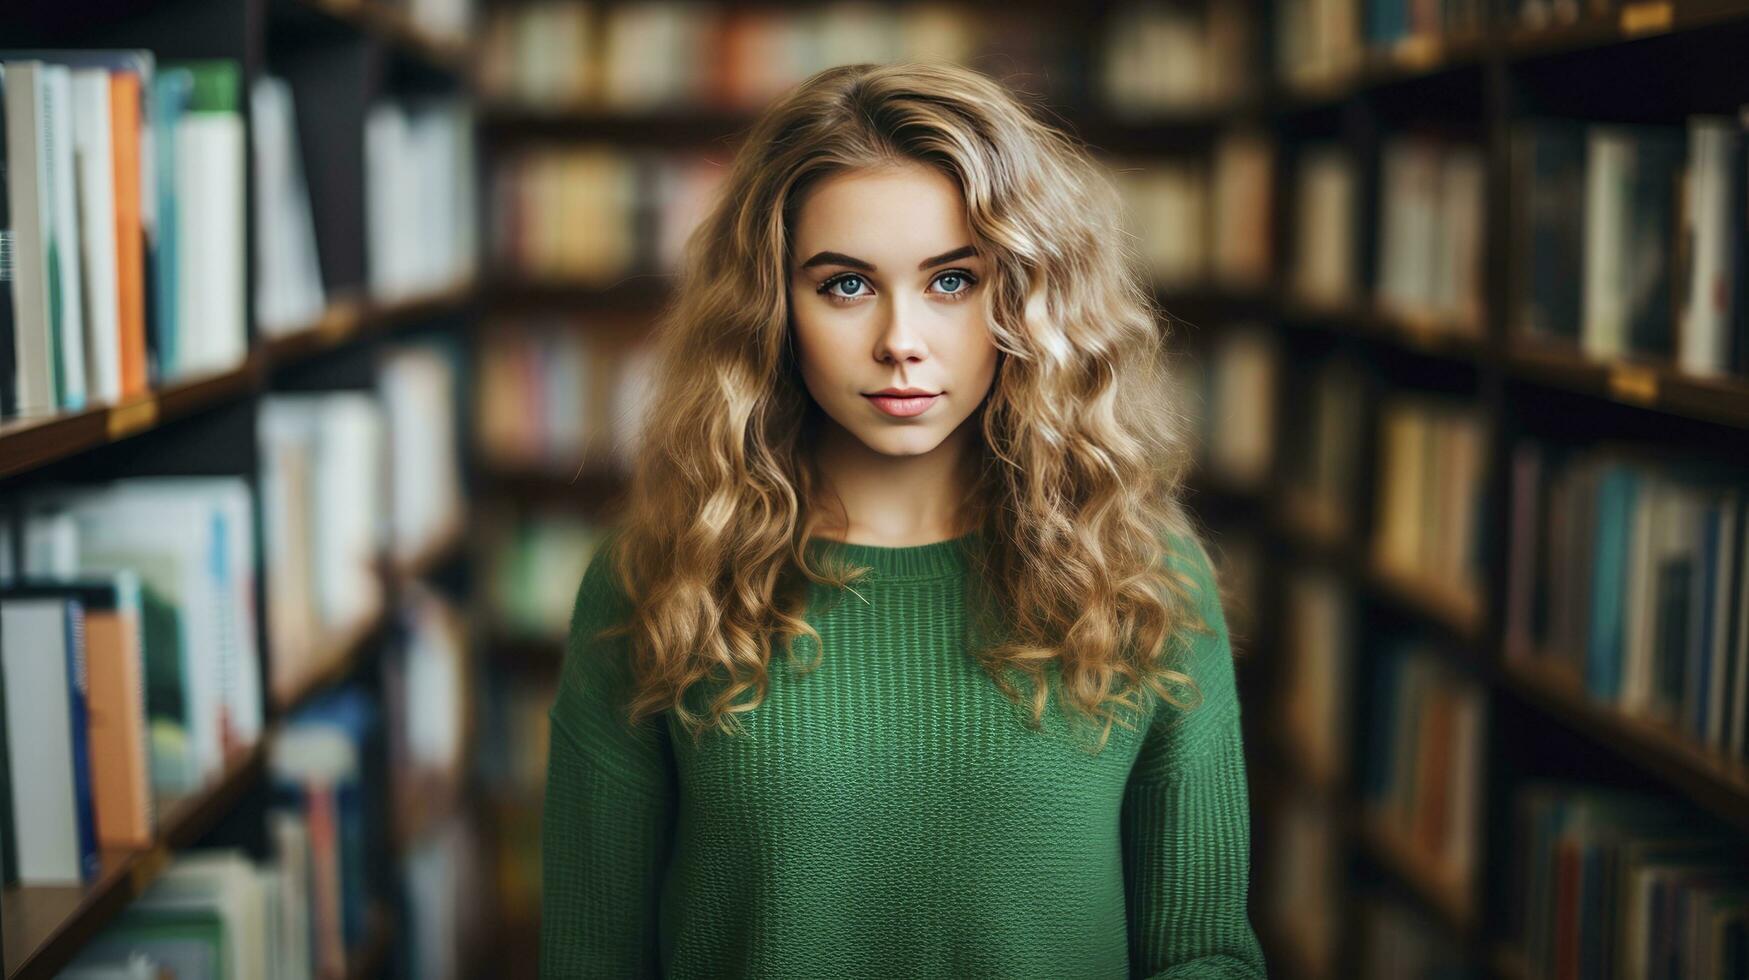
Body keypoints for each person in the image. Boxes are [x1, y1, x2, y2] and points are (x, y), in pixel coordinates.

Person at [541, 61, 1268, 979]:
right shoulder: (659, 575)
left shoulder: (1139, 573)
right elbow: (590, 957)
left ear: (1026, 296)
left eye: (953, 281)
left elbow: (1201, 955)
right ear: (772, 307)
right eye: (845, 285)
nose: (900, 340)